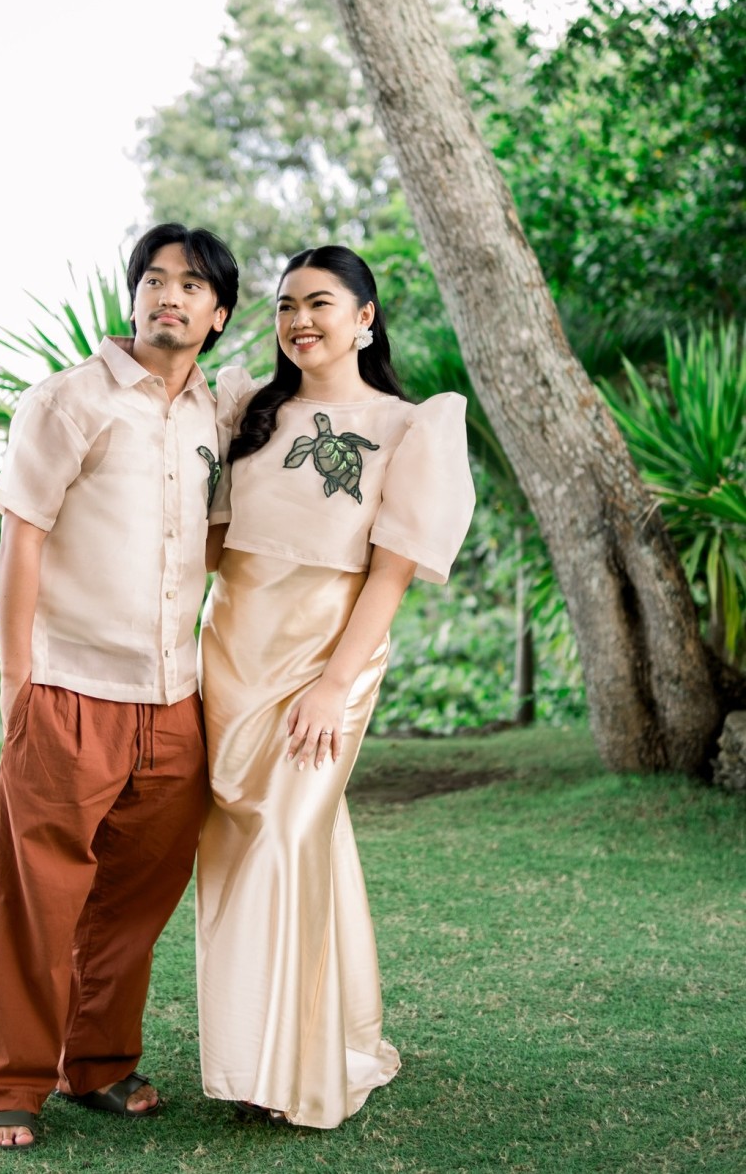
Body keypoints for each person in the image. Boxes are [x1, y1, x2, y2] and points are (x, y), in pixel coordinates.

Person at [0, 223, 238, 1151]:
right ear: (133, 299)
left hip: (175, 702)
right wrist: (17, 683)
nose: (171, 296)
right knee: (37, 897)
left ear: (219, 312)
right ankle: (9, 1082)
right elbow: (23, 537)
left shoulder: (215, 414)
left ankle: (98, 1060)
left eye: (192, 286)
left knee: (135, 899)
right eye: (155, 281)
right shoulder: (69, 401)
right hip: (69, 688)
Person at [196, 245, 475, 1130]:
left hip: (330, 658)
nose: (298, 320)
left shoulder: (407, 427)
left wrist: (332, 686)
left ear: (365, 316)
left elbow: (390, 575)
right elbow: (208, 544)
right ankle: (294, 1036)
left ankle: (273, 1075)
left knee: (285, 833)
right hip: (231, 650)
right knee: (243, 846)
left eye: (320, 302)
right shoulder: (246, 409)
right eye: (284, 306)